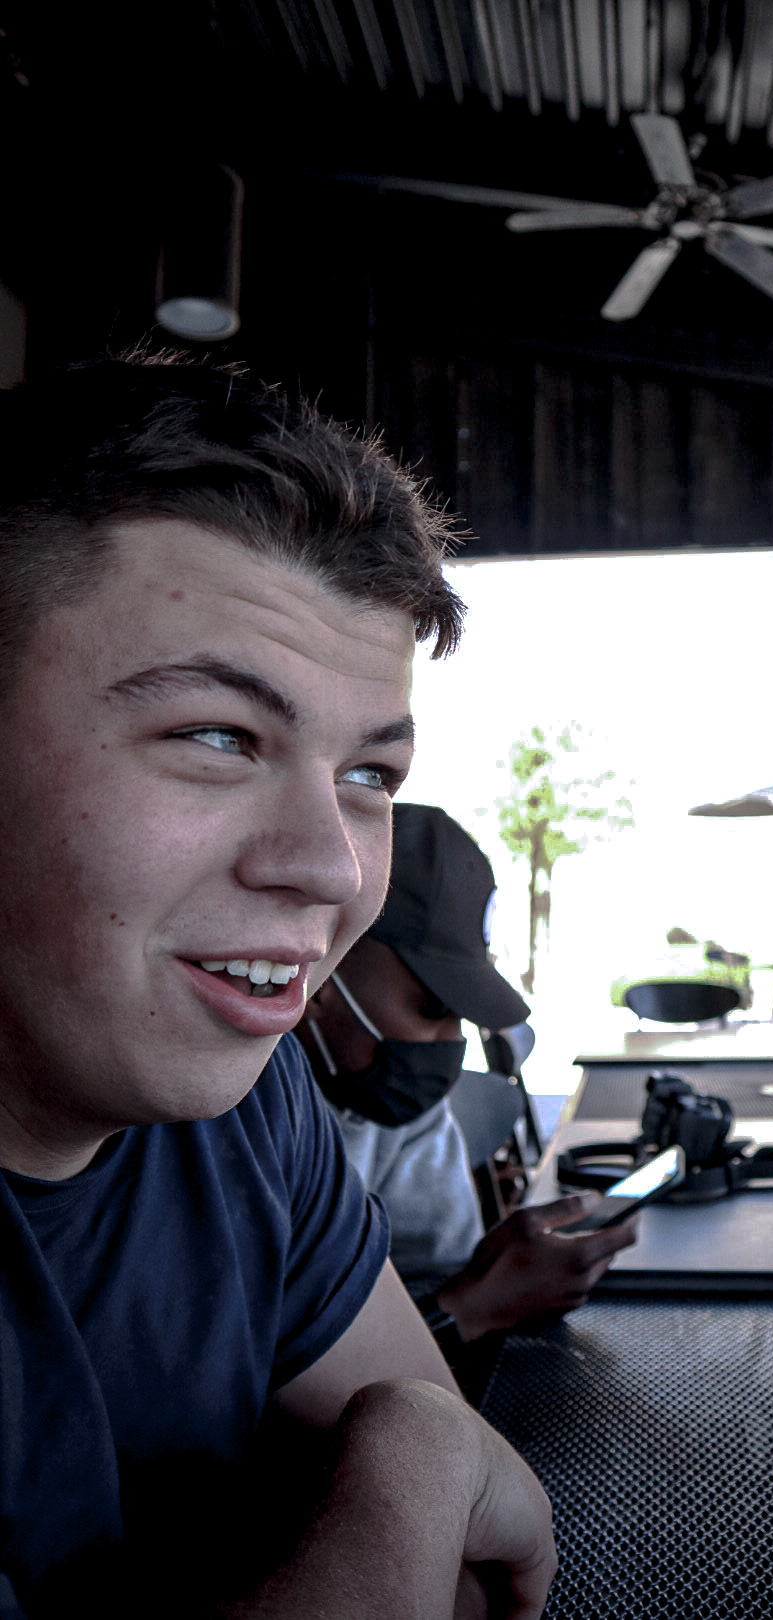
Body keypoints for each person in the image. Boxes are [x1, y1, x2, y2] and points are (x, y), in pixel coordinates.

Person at [0, 349, 556, 1619]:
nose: (333, 870)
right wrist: (412, 1465)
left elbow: (479, 1585)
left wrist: (413, 1460)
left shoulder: (246, 1108)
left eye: (369, 776)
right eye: (216, 735)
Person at [300, 802, 637, 1381]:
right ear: (324, 962)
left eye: (460, 1017)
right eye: (433, 1009)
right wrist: (472, 1310)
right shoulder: (230, 1121)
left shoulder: (399, 1109)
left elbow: (433, 1275)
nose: (449, 1043)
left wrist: (498, 1277)